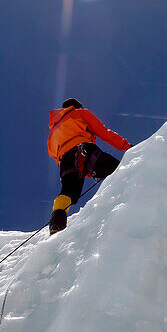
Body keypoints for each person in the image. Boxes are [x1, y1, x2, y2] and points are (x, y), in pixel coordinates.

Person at [47, 98, 131, 234]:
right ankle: (138, 195)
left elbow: (57, 156)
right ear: (77, 106)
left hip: (65, 163)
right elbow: (103, 132)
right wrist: (126, 147)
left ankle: (57, 223)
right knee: (120, 172)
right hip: (84, 150)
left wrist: (84, 170)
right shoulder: (79, 113)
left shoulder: (52, 135)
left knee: (68, 192)